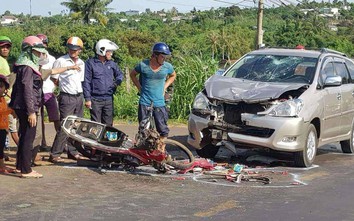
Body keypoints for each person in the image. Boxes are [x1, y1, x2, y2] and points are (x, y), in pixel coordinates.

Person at [9, 35, 48, 178]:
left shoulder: (22, 65)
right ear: (28, 51)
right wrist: (31, 111)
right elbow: (26, 89)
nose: (39, 54)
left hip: (21, 106)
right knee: (28, 137)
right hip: (27, 107)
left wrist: (13, 106)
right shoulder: (27, 67)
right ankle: (26, 170)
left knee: (24, 135)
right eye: (37, 52)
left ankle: (20, 166)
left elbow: (17, 89)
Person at [130, 42, 176, 152]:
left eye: (165, 57)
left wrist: (165, 86)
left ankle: (160, 150)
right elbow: (132, 74)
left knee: (163, 130)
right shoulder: (143, 65)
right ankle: (145, 151)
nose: (164, 59)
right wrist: (139, 88)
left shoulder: (167, 67)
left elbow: (173, 75)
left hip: (159, 102)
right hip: (145, 101)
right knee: (144, 130)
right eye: (162, 56)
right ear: (155, 55)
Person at [49, 36, 85, 163]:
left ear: (80, 50)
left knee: (76, 126)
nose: (72, 51)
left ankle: (72, 151)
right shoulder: (61, 61)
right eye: (70, 49)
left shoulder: (82, 63)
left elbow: (81, 80)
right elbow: (54, 77)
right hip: (66, 96)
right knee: (65, 125)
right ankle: (55, 153)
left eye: (75, 49)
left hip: (79, 96)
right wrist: (63, 86)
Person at [83, 39, 123, 126]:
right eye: (109, 51)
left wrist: (116, 83)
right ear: (102, 50)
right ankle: (95, 140)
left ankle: (108, 140)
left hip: (109, 99)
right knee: (96, 125)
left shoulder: (112, 64)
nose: (111, 54)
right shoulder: (90, 63)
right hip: (95, 99)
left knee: (109, 125)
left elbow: (120, 75)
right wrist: (87, 99)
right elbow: (86, 81)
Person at [36, 34, 60, 152]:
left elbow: (56, 76)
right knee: (39, 121)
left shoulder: (52, 59)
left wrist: (54, 88)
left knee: (56, 118)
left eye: (44, 44)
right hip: (37, 92)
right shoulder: (34, 59)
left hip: (49, 92)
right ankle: (43, 143)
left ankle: (61, 143)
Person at [0, 36, 19, 148]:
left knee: (5, 128)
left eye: (7, 47)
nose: (5, 49)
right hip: (5, 100)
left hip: (6, 99)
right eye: (2, 47)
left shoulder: (4, 61)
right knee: (13, 129)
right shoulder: (1, 61)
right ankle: (28, 153)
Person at [0, 74, 16, 173]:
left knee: (1, 148)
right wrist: (11, 111)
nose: (0, 89)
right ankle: (2, 166)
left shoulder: (2, 99)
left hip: (2, 128)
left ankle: (2, 165)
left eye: (1, 87)